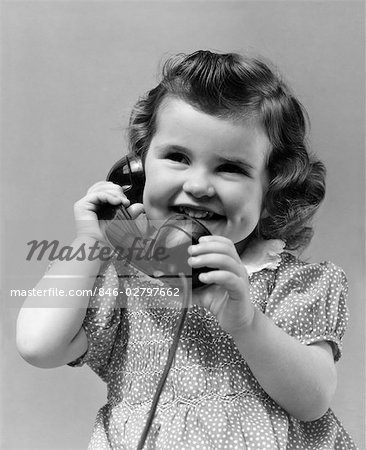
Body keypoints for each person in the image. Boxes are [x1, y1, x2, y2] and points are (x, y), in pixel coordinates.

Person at [16, 50, 358, 449]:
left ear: (273, 188)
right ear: (137, 172)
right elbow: (39, 345)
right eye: (177, 157)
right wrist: (89, 244)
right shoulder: (124, 282)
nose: (198, 185)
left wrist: (246, 322)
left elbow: (312, 400)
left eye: (230, 167)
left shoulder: (297, 283)